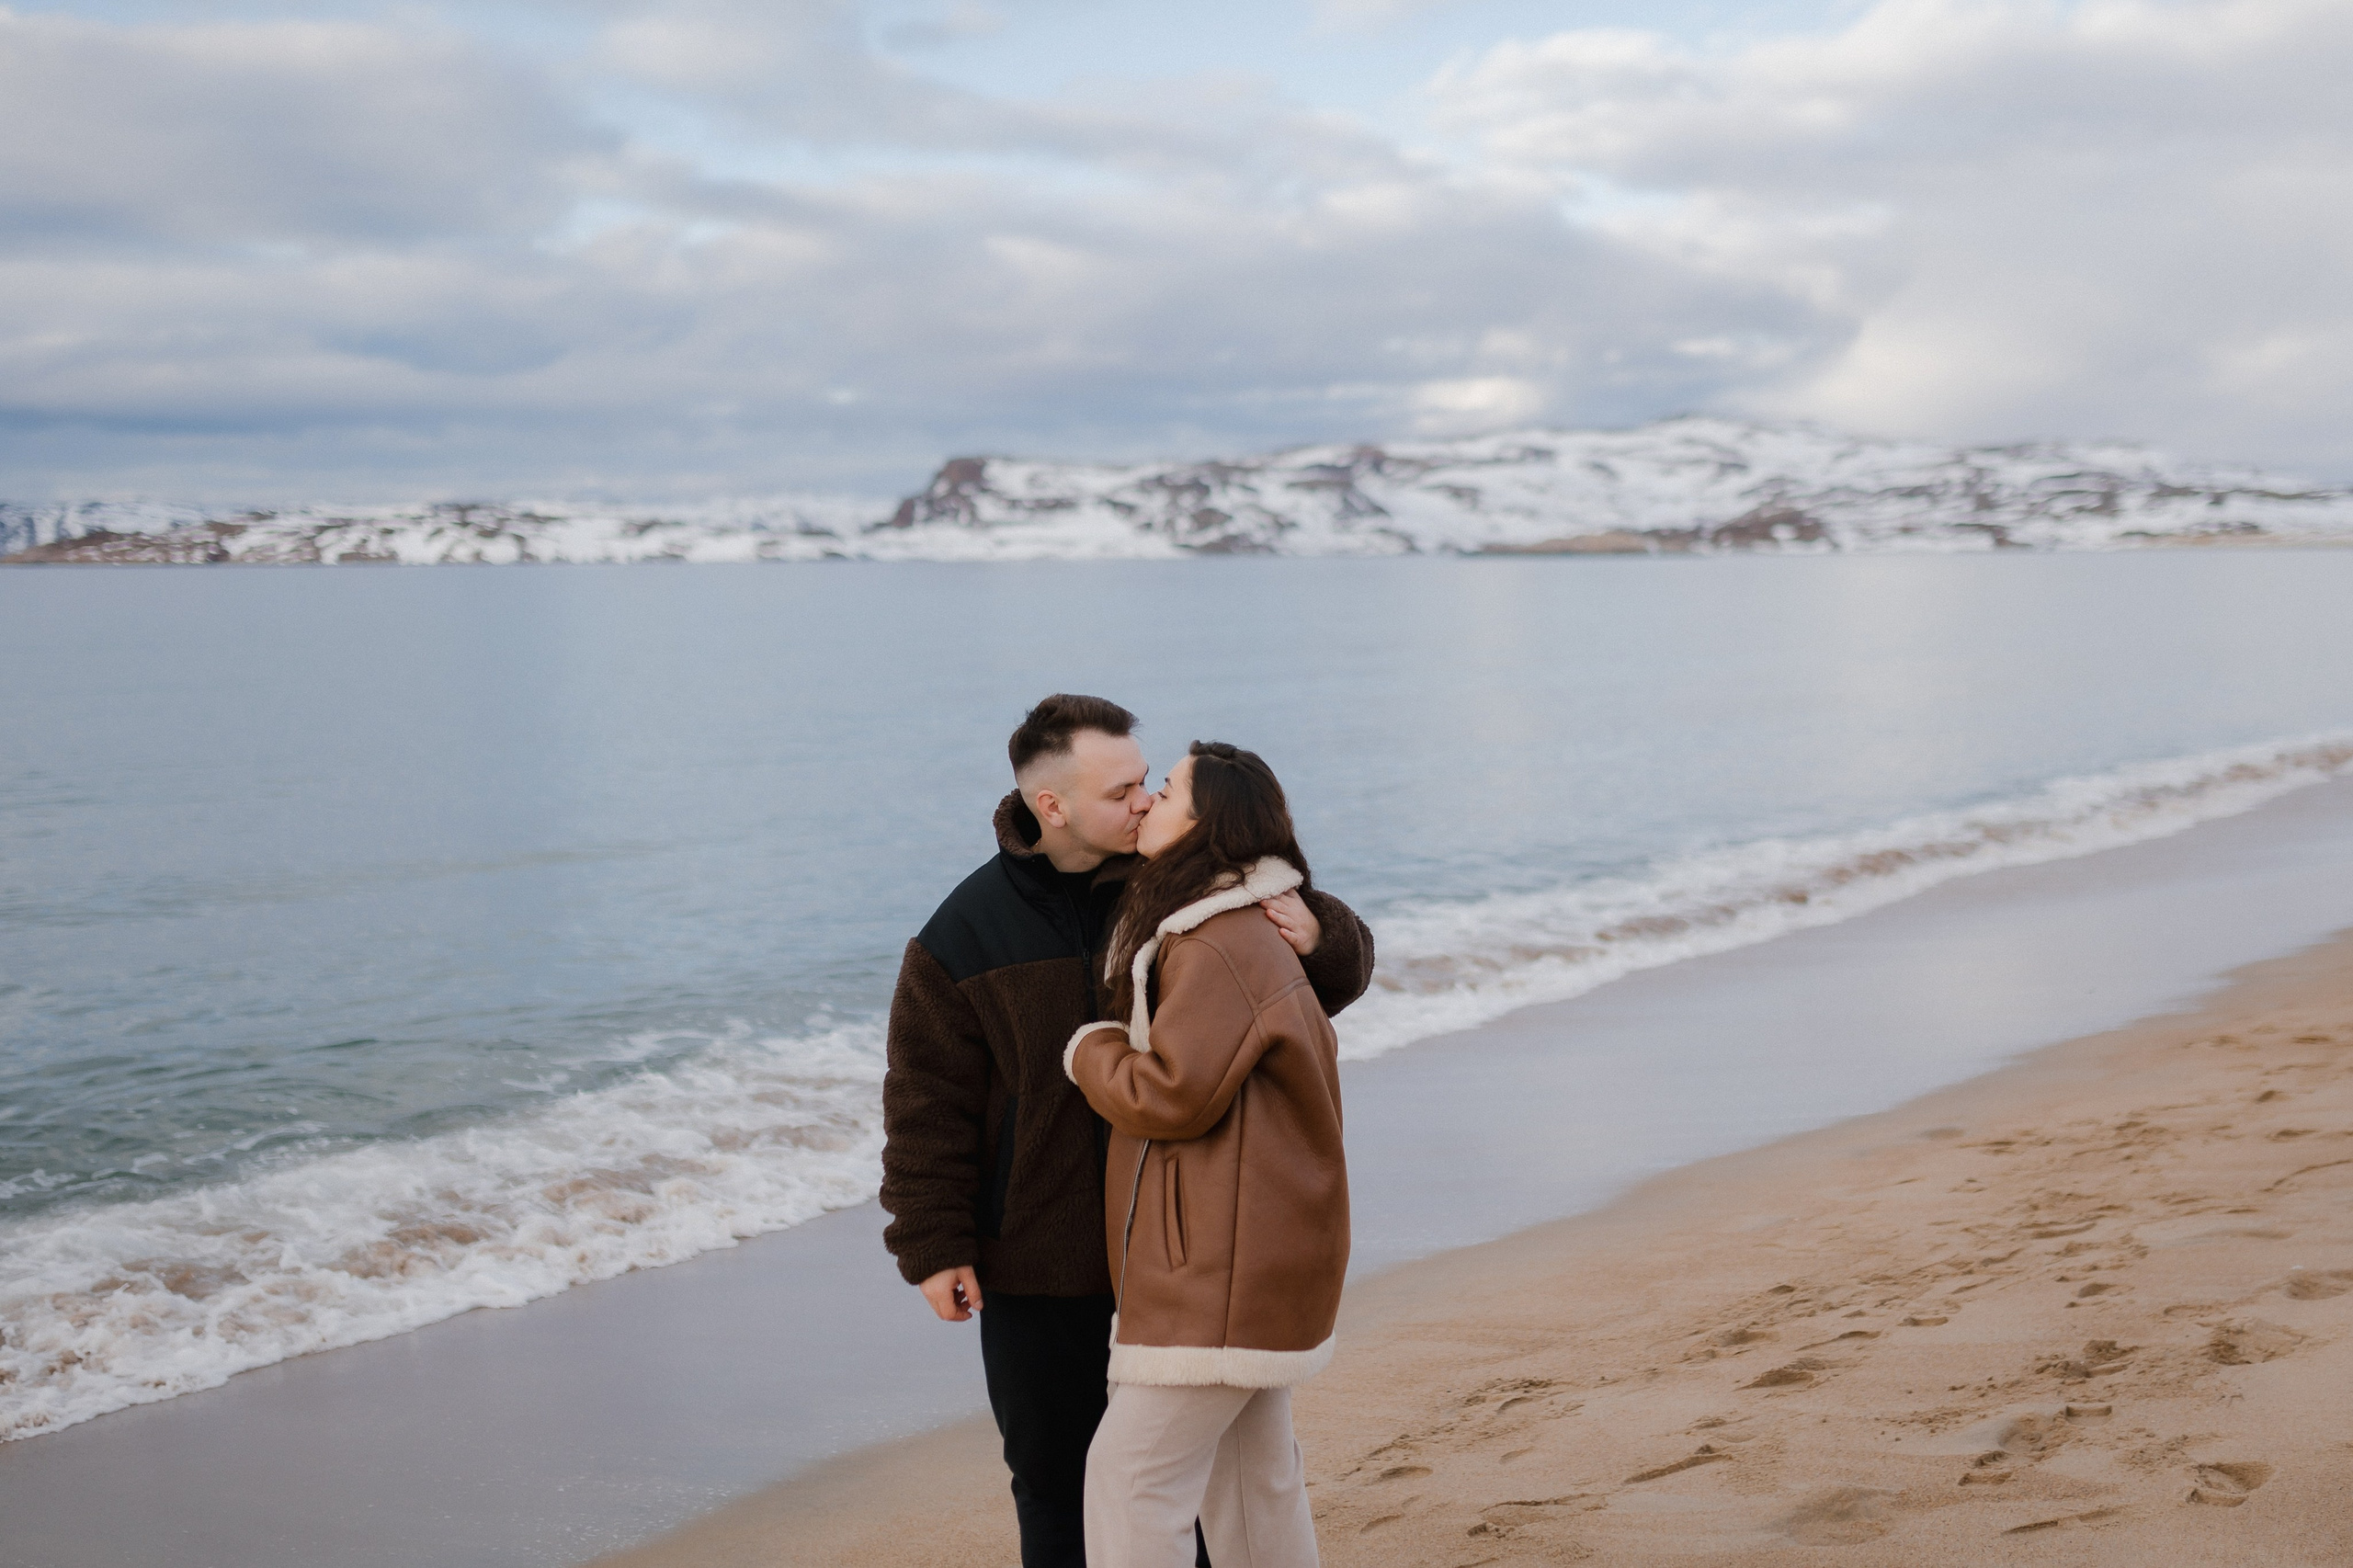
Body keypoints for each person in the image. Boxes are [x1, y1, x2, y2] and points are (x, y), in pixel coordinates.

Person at [881, 698, 1375, 1568]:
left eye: (1149, 782)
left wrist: (1323, 932)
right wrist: (932, 1243)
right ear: (1052, 805)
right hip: (1040, 1257)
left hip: (1184, 1246)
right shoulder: (963, 932)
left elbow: (1290, 994)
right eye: (1122, 791)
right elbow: (925, 1102)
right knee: (1056, 1481)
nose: (1144, 801)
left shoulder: (1179, 883)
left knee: (1181, 1483)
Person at [1064, 741, 1347, 1568]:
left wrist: (1089, 1050)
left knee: (1131, 1480)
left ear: (1208, 826)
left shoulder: (1218, 939)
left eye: (1168, 790)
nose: (1149, 801)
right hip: (1253, 1253)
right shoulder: (1235, 922)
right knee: (1252, 1484)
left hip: (1221, 1270)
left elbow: (1173, 1094)